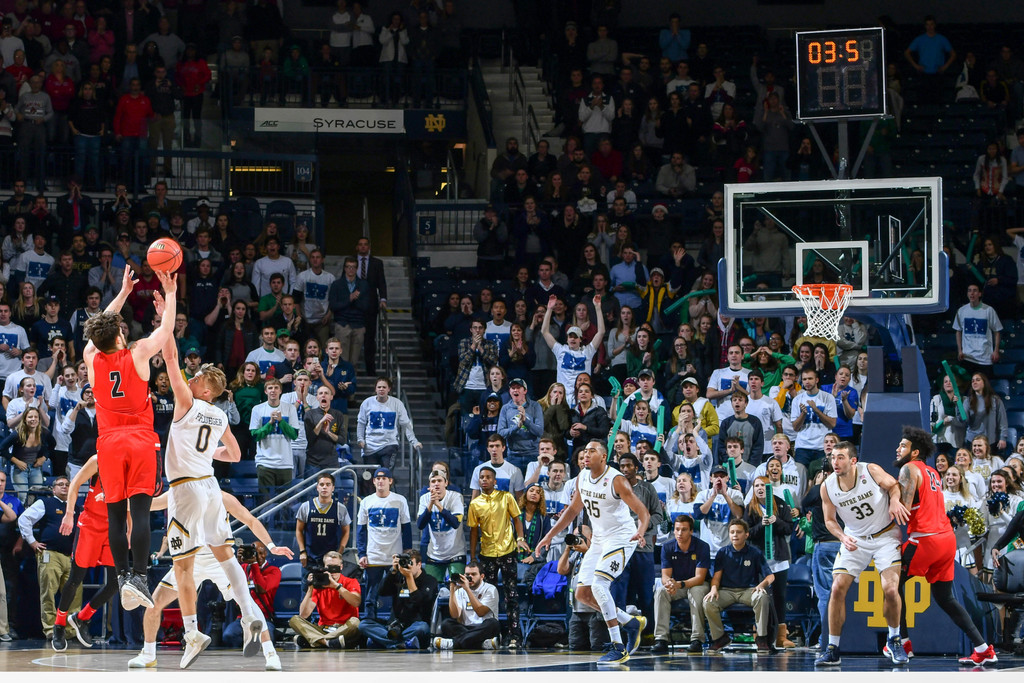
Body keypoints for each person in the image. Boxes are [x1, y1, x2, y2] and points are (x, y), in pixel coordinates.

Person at [158, 325, 267, 668]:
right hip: (209, 486)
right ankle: (249, 615)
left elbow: (171, 358)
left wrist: (166, 321)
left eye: (196, 377)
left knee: (182, 566)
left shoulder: (188, 402)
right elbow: (234, 455)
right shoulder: (220, 414)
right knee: (225, 555)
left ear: (205, 389)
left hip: (186, 489)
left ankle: (192, 632)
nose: (190, 378)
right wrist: (208, 454)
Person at [82, 265, 175, 610]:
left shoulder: (92, 359)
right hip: (139, 439)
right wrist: (171, 297)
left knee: (116, 516)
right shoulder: (135, 354)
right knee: (141, 511)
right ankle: (139, 576)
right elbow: (165, 332)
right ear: (119, 336)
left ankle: (122, 577)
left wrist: (121, 295)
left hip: (107, 443)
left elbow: (98, 331)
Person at [131, 496, 292, 670]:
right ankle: (148, 654)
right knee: (154, 603)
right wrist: (115, 498)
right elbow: (148, 504)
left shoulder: (220, 495)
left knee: (248, 605)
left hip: (219, 561)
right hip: (190, 560)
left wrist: (271, 545)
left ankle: (270, 654)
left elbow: (251, 520)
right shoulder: (179, 490)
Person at [537, 440, 650, 665]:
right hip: (599, 539)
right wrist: (549, 535)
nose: (586, 454)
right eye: (585, 451)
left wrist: (641, 530)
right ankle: (631, 622)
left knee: (599, 585)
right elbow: (572, 510)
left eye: (592, 451)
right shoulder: (582, 478)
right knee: (582, 594)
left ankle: (618, 646)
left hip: (621, 538)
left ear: (604, 456)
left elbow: (642, 511)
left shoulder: (616, 480)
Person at [894, 426, 997, 667]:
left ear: (915, 452)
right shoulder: (931, 472)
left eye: (903, 446)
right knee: (945, 598)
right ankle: (983, 649)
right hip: (946, 540)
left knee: (891, 583)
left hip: (925, 538)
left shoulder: (909, 469)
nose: (898, 449)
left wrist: (888, 493)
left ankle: (903, 642)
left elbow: (904, 511)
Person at [815, 441, 910, 666]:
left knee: (890, 588)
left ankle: (895, 639)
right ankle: (832, 648)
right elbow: (829, 520)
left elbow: (894, 485)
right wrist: (841, 536)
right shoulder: (827, 486)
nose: (835, 462)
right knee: (837, 588)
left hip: (885, 536)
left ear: (853, 460)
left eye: (840, 458)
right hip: (854, 539)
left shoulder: (870, 470)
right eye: (832, 458)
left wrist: (895, 501)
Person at [50, 455, 118, 652]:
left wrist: (129, 529)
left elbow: (129, 498)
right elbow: (75, 483)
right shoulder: (98, 459)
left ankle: (82, 617)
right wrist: (69, 514)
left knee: (115, 582)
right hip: (90, 523)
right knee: (75, 579)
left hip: (113, 525)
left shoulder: (129, 463)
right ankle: (59, 625)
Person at [467, 464, 530, 647]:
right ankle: (492, 635)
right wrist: (472, 556)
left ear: (495, 481)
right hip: (486, 553)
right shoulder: (475, 504)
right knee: (490, 596)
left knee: (511, 595)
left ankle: (514, 636)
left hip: (507, 550)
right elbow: (473, 531)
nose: (484, 480)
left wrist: (520, 538)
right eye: (482, 477)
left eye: (488, 477)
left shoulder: (506, 497)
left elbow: (517, 519)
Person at [17, 474, 80, 638]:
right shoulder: (45, 503)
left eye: (67, 484)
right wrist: (31, 541)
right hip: (50, 554)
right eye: (61, 484)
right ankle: (51, 630)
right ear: (53, 489)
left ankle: (71, 630)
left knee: (74, 595)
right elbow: (24, 519)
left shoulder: (75, 507)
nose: (65, 487)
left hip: (72, 557)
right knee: (48, 594)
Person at [702, 518, 775, 653]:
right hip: (727, 591)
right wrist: (713, 589)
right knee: (708, 602)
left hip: (748, 590)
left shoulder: (755, 552)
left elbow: (770, 576)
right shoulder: (722, 553)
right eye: (732, 532)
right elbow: (716, 578)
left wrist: (762, 585)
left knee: (762, 597)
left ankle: (761, 638)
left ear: (746, 535)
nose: (735, 535)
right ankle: (720, 638)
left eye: (738, 532)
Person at [356, 466, 412, 620]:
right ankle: (369, 624)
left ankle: (395, 624)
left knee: (397, 593)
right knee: (370, 596)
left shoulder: (400, 500)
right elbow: (361, 530)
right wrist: (362, 553)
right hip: (374, 555)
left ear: (390, 481)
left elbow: (407, 528)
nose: (381, 481)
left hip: (395, 556)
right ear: (374, 481)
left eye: (384, 478)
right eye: (378, 478)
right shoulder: (367, 501)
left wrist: (407, 551)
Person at [651, 514, 710, 654]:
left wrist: (679, 584)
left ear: (691, 531)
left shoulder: (702, 546)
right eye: (677, 529)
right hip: (678, 585)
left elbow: (700, 578)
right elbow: (665, 575)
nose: (679, 533)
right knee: (660, 591)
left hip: (697, 585)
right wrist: (670, 584)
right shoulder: (667, 547)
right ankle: (661, 639)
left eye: (684, 529)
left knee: (695, 592)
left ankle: (697, 639)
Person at [358, 549, 437, 649]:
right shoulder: (398, 577)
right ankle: (399, 644)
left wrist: (409, 578)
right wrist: (393, 571)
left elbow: (418, 601)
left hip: (414, 626)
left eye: (410, 563)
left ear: (419, 564)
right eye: (404, 563)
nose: (407, 566)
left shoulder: (430, 581)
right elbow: (381, 592)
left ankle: (387, 642)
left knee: (422, 628)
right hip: (394, 627)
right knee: (363, 625)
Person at [289, 550, 361, 649]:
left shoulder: (350, 582)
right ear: (324, 567)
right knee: (294, 620)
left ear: (341, 567)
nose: (333, 571)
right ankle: (328, 642)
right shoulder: (319, 584)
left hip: (344, 628)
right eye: (329, 568)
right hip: (324, 628)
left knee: (355, 622)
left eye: (335, 568)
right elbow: (304, 614)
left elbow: (356, 602)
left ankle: (316, 640)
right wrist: (310, 588)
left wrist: (336, 586)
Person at [356, 376, 421, 472]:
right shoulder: (367, 403)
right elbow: (361, 423)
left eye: (384, 387)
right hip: (370, 446)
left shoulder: (397, 403)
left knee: (385, 475)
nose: (381, 389)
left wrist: (414, 442)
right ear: (375, 389)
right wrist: (360, 439)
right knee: (370, 479)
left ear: (389, 389)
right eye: (379, 387)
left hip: (389, 445)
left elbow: (405, 424)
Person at [433, 561, 501, 650]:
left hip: (483, 627)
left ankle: (454, 643)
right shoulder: (460, 591)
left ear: (482, 576)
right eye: (467, 574)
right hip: (466, 628)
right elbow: (455, 615)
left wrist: (467, 589)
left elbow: (480, 612)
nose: (470, 577)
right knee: (446, 624)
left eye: (473, 574)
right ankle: (482, 643)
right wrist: (452, 589)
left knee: (493, 623)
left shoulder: (490, 589)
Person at [295, 472, 351, 569]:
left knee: (331, 584)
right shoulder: (306, 506)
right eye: (321, 484)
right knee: (307, 583)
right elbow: (299, 530)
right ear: (317, 487)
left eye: (328, 484)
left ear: (333, 488)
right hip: (310, 557)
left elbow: (346, 531)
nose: (324, 487)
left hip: (331, 558)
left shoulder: (340, 508)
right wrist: (302, 551)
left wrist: (340, 552)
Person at [417, 467, 465, 581]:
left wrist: (438, 505)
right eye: (433, 481)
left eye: (440, 481)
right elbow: (420, 525)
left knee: (457, 588)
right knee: (430, 591)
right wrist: (430, 504)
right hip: (434, 553)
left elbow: (455, 523)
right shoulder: (424, 499)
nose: (436, 484)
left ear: (446, 483)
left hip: (456, 552)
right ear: (429, 485)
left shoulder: (456, 497)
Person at [954, 284, 1001, 378]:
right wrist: (960, 350)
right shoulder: (961, 311)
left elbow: (997, 331)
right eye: (969, 290)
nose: (972, 293)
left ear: (979, 294)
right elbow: (958, 331)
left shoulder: (988, 310)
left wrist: (996, 351)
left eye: (975, 290)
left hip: (985, 358)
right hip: (968, 357)